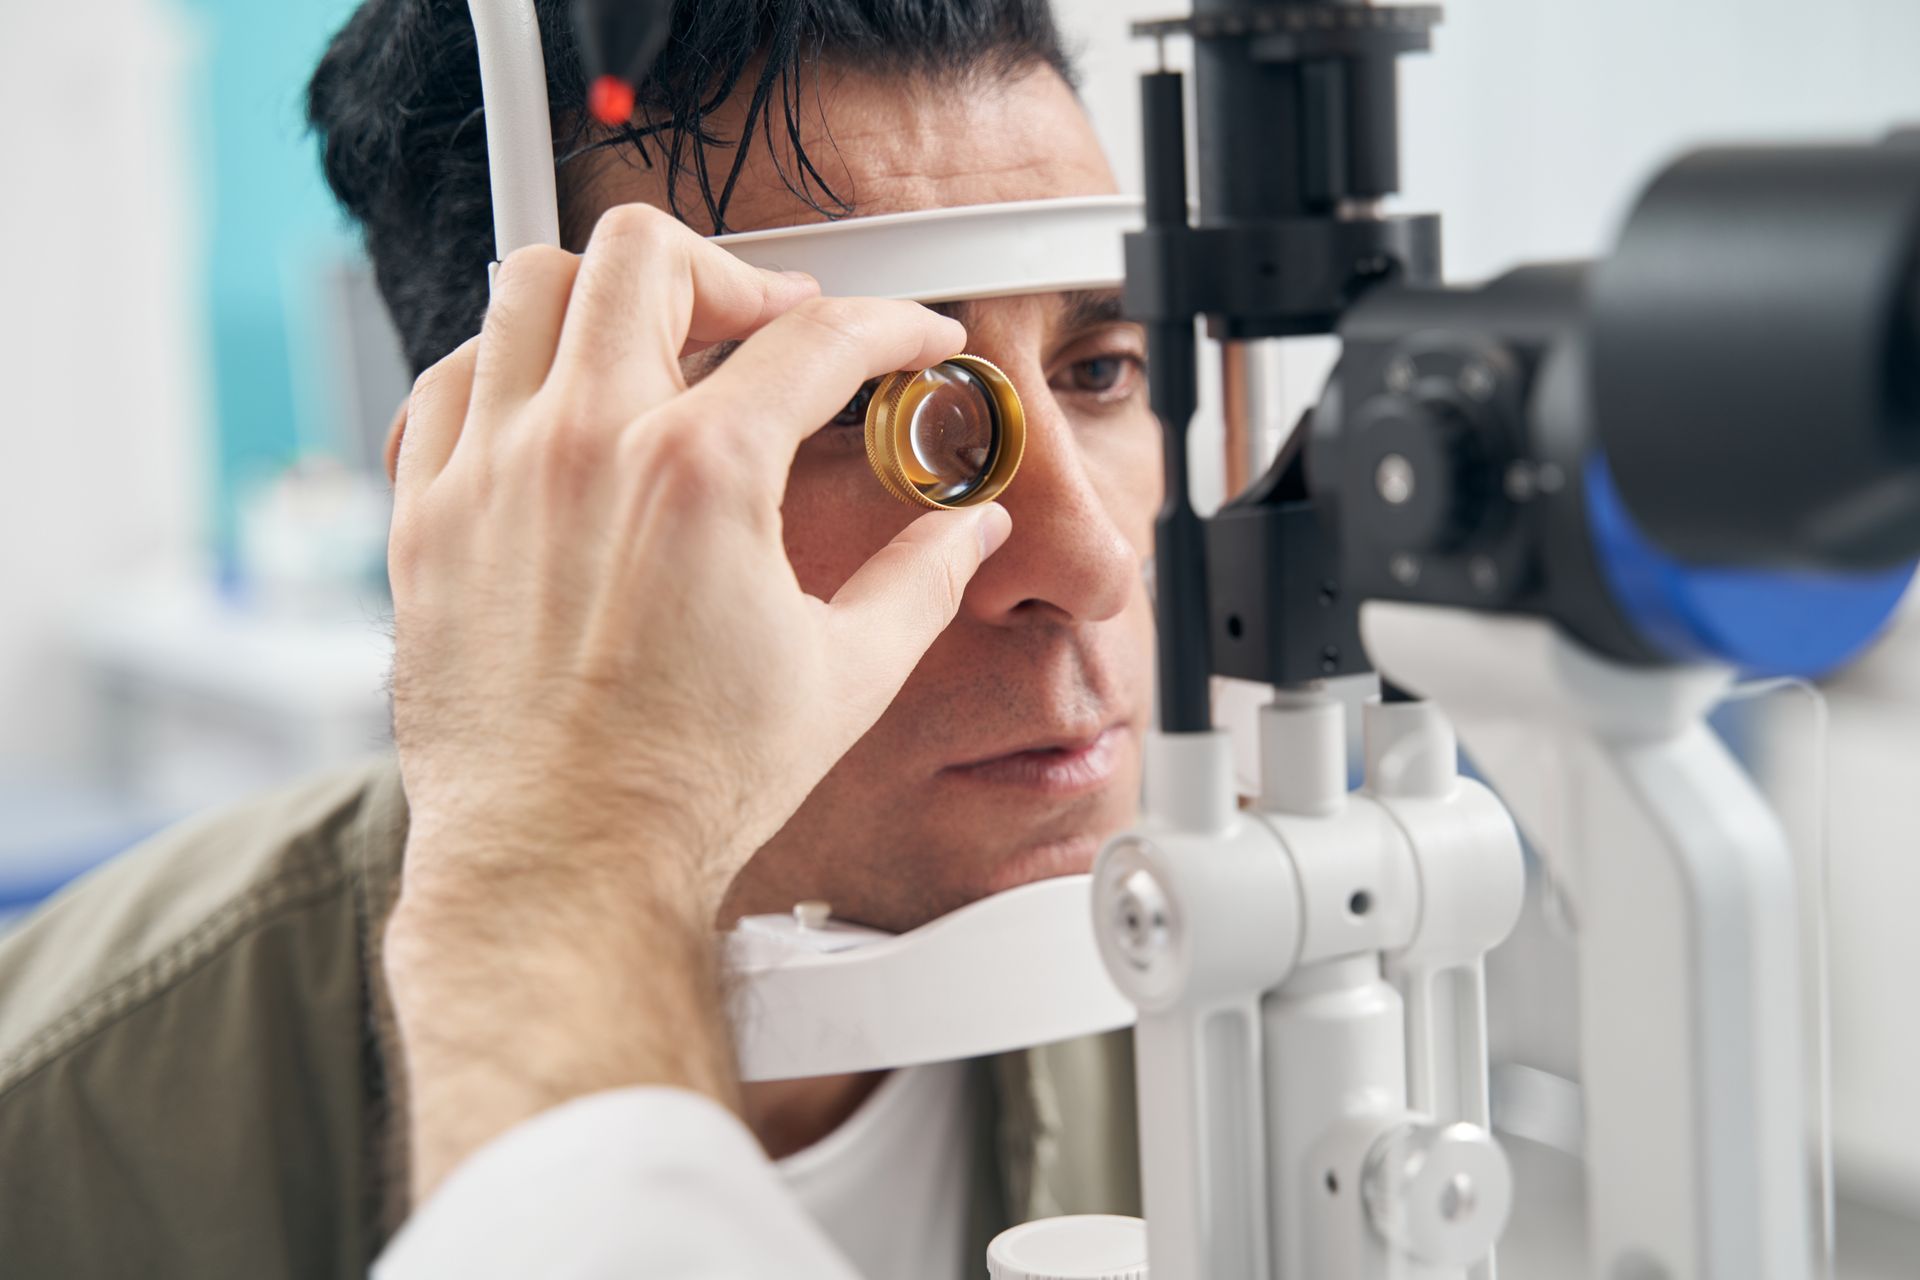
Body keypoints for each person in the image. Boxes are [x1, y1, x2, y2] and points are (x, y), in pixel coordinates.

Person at [0, 1, 1155, 1276]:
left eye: (1100, 367)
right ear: (474, 516)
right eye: (857, 404)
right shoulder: (63, 1142)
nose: (1093, 562)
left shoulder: (1296, 959)